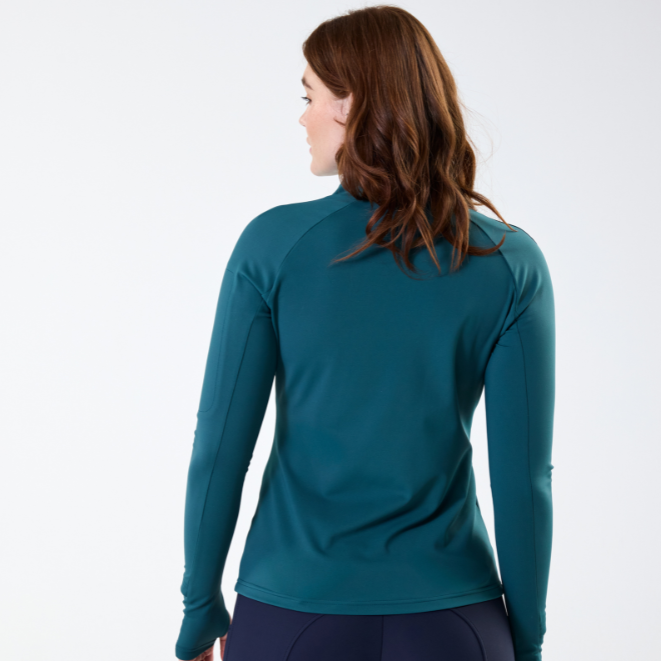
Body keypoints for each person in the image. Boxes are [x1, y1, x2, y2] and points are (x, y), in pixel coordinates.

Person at [174, 5, 555, 661]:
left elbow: (219, 449)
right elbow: (524, 480)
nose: (302, 118)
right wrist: (524, 638)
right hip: (454, 620)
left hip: (290, 615)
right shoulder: (507, 260)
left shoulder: (273, 246)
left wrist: (198, 607)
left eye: (309, 97)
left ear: (351, 104)